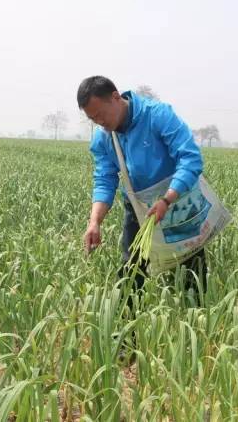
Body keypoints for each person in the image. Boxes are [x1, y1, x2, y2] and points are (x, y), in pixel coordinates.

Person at [79, 75, 207, 305]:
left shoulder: (157, 115)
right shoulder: (104, 138)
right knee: (131, 271)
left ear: (116, 98)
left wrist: (167, 200)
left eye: (100, 114)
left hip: (177, 204)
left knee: (190, 273)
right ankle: (128, 337)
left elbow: (190, 159)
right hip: (138, 209)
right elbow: (105, 179)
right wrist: (94, 221)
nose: (99, 122)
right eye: (92, 118)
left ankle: (195, 329)